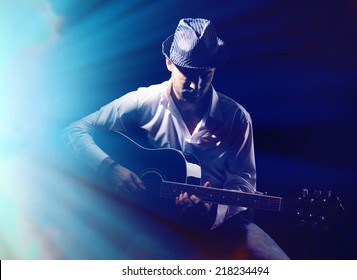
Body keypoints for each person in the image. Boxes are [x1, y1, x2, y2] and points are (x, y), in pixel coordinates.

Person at [62, 18, 289, 259]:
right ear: (169, 63)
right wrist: (111, 168)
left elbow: (243, 183)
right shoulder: (143, 102)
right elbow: (74, 130)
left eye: (206, 74)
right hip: (156, 223)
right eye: (188, 73)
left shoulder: (237, 117)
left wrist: (212, 209)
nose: (196, 84)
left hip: (223, 225)